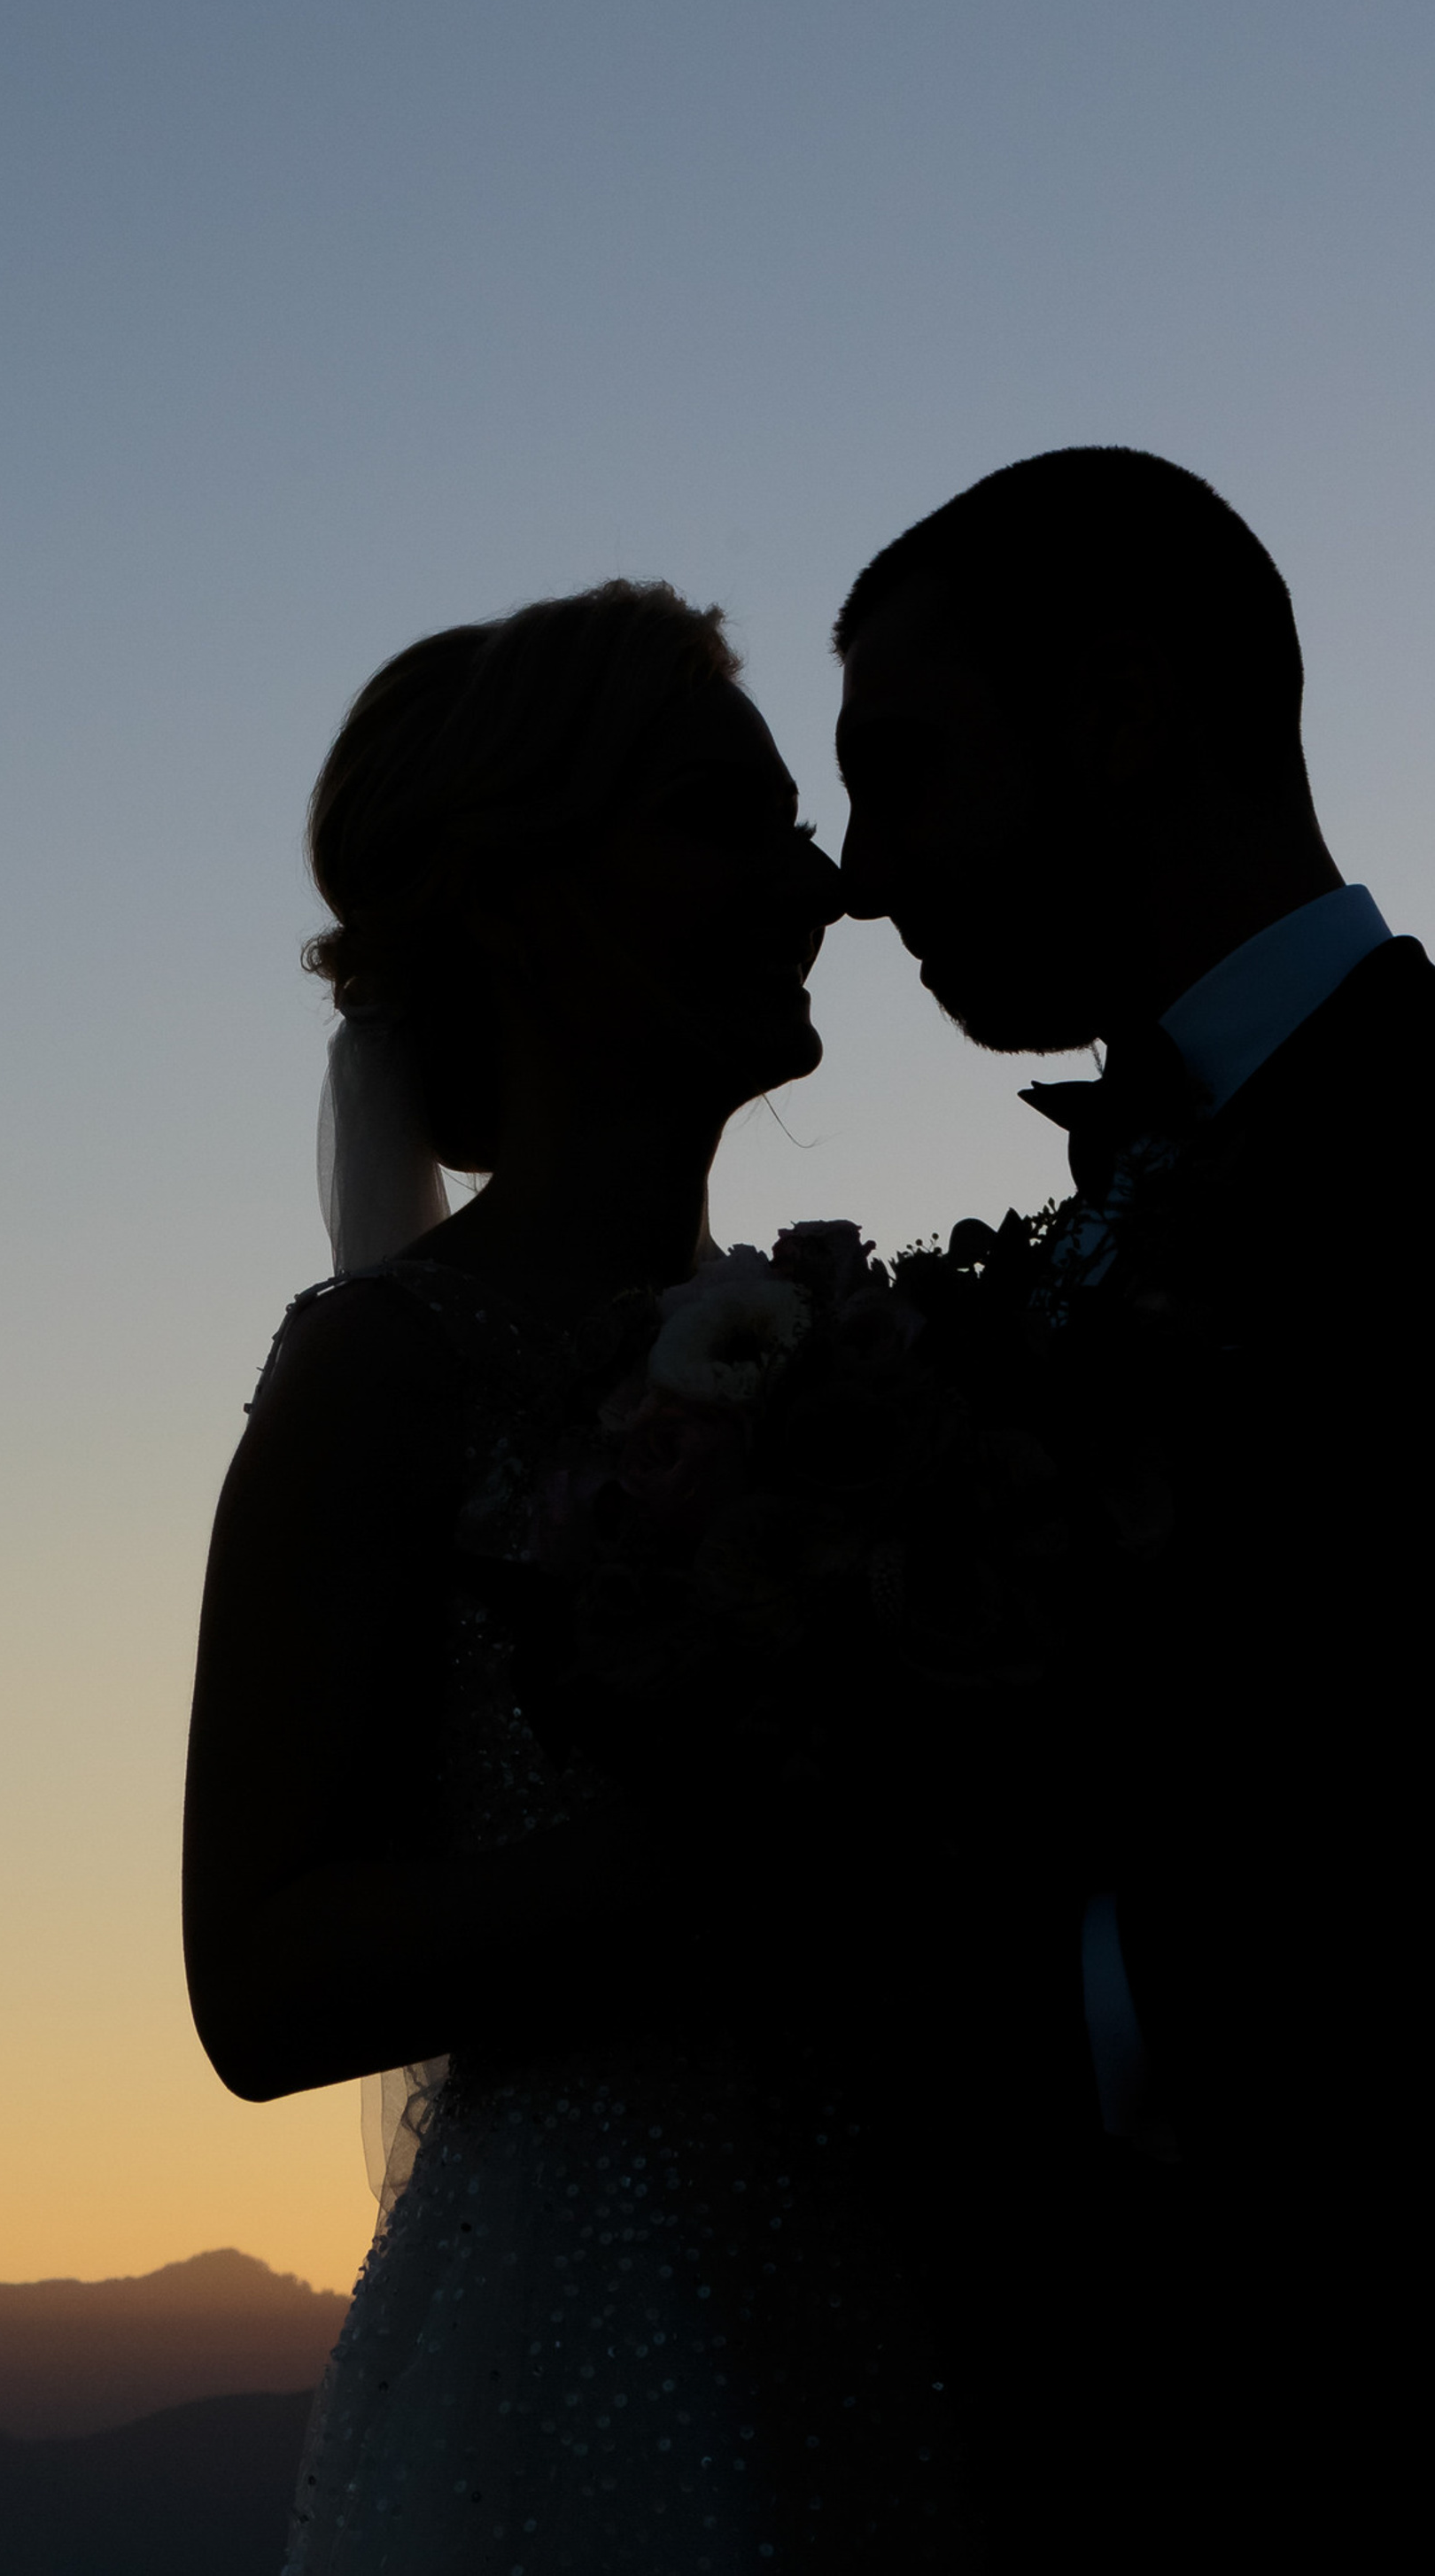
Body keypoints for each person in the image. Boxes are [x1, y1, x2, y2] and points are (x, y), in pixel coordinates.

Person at [184, 579, 982, 2574]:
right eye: (728, 818)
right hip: (588, 2353)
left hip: (920, 2291)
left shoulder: (837, 1349)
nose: (816, 885)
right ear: (530, 902)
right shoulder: (385, 1368)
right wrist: (697, 1862)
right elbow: (256, 1977)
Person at [834, 446, 1431, 2569]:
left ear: (1112, 718)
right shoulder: (1061, 1239)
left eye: (895, 778)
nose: (853, 875)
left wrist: (1023, 2014)